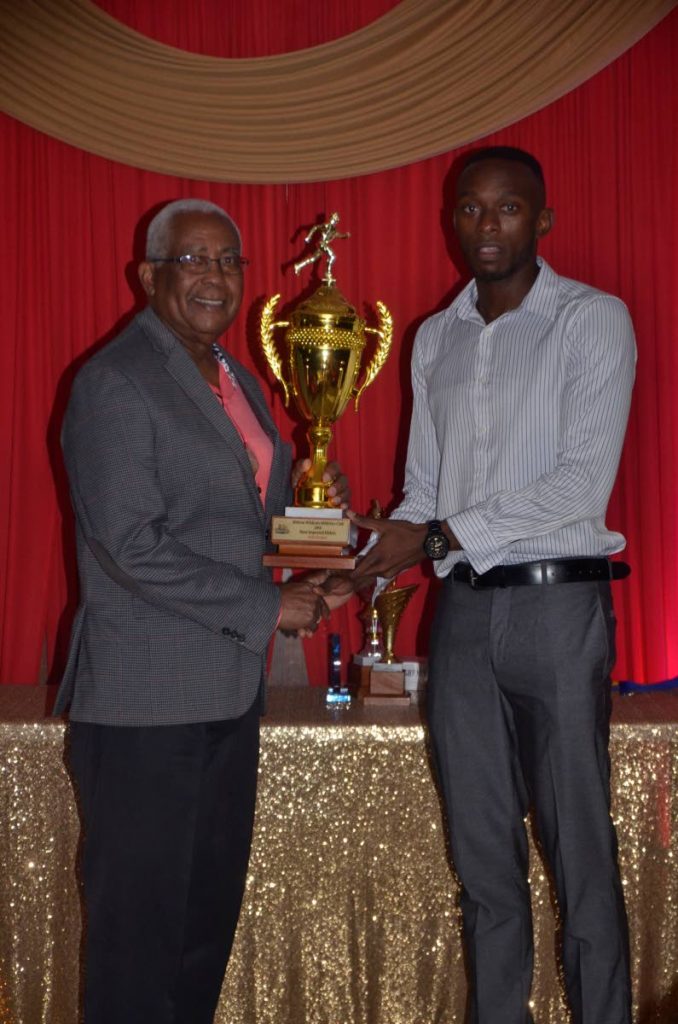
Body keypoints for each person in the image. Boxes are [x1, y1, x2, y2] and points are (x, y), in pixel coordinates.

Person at [348, 147, 636, 1024]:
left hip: (557, 607)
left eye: (508, 209)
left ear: (541, 221)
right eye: (470, 210)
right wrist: (364, 564)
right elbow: (426, 487)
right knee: (482, 860)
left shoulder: (591, 320)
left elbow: (579, 484)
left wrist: (431, 535)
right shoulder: (433, 337)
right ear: (452, 222)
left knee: (578, 848)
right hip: (464, 616)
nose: (487, 225)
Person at [54, 198, 349, 1024]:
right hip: (147, 705)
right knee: (137, 948)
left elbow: (245, 521)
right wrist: (269, 608)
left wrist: (326, 538)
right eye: (192, 260)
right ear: (149, 276)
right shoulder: (116, 381)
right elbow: (128, 543)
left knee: (199, 935)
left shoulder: (237, 379)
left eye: (228, 260)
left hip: (224, 696)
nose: (214, 276)